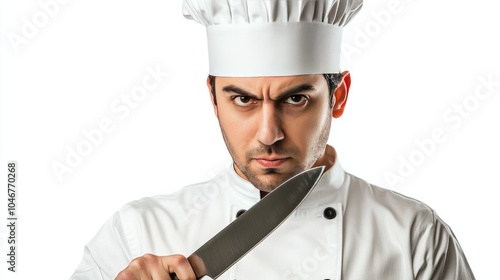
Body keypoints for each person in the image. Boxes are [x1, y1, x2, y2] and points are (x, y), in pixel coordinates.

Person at [71, 0, 475, 279]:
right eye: (243, 99)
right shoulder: (136, 233)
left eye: (295, 99)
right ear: (213, 98)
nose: (269, 133)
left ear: (339, 96)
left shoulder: (414, 237)